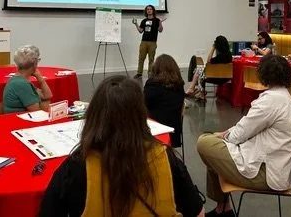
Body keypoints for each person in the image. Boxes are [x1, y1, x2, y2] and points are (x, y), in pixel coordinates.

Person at [39, 76, 205, 217]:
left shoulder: (76, 167)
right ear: (141, 115)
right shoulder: (166, 159)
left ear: (94, 117)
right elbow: (197, 212)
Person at [197, 55, 291, 217]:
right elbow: (246, 128)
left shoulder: (271, 101)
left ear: (263, 74)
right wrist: (224, 135)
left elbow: (239, 134)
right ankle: (223, 209)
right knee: (213, 146)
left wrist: (222, 136)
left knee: (204, 143)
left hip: (264, 174)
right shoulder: (286, 99)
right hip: (276, 170)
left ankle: (223, 209)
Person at [144, 54, 185, 148]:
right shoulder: (179, 85)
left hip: (156, 134)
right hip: (174, 134)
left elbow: (143, 105)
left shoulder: (152, 85)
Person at [2, 45, 52, 114]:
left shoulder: (19, 79)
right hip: (18, 121)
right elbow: (36, 112)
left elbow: (47, 96)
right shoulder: (21, 84)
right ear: (34, 64)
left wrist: (40, 78)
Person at [186, 35, 232, 101]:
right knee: (200, 70)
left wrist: (213, 48)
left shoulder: (218, 58)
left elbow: (208, 60)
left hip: (216, 78)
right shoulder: (229, 55)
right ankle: (196, 90)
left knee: (200, 71)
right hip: (226, 78)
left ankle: (196, 90)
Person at [133, 5, 164, 79]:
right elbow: (140, 31)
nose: (149, 10)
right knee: (141, 58)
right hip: (144, 42)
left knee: (151, 59)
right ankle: (139, 73)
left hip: (152, 42)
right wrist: (136, 24)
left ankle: (150, 73)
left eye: (150, 9)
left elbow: (160, 30)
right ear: (146, 11)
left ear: (153, 10)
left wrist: (160, 23)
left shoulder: (157, 20)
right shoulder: (144, 21)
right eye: (147, 9)